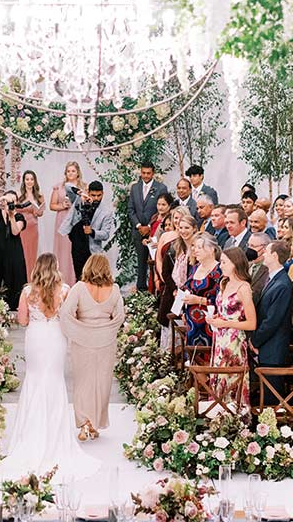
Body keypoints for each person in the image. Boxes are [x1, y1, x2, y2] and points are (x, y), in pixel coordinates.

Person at [0, 253, 99, 479]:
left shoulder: (27, 291)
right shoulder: (64, 290)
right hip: (55, 337)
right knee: (54, 380)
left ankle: (30, 433)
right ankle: (55, 436)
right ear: (55, 267)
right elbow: (73, 316)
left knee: (34, 379)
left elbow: (22, 320)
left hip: (35, 336)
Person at [60, 253, 125, 440]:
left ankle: (85, 424)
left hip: (82, 340)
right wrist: (108, 329)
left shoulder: (80, 288)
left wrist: (78, 329)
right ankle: (94, 423)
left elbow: (66, 312)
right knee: (102, 383)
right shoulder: (114, 289)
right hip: (106, 341)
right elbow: (119, 316)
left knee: (82, 382)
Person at [206, 248, 256, 410]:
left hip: (234, 341)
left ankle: (236, 417)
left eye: (224, 262)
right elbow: (223, 313)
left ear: (235, 264)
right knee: (218, 376)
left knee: (232, 379)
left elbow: (251, 323)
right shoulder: (223, 282)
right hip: (219, 338)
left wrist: (226, 324)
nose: (221, 266)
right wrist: (215, 319)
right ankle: (217, 414)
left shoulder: (243, 288)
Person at [251, 241, 293, 398]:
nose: (263, 254)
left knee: (271, 395)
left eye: (267, 252)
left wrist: (255, 340)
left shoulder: (282, 283)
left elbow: (273, 320)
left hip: (273, 348)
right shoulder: (273, 279)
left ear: (275, 256)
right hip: (267, 346)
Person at [59, 181, 116, 282]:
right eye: (93, 195)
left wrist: (92, 232)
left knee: (93, 279)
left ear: (102, 193)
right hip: (77, 244)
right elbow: (67, 186)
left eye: (99, 195)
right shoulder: (80, 200)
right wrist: (80, 193)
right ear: (88, 193)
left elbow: (106, 234)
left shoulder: (106, 211)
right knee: (79, 278)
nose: (96, 198)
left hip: (92, 249)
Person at [157, 207, 196, 349]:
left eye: (187, 227)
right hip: (173, 293)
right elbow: (166, 272)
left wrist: (185, 290)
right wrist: (174, 289)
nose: (183, 231)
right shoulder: (173, 247)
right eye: (180, 227)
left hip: (190, 294)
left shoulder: (198, 248)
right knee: (170, 327)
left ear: (194, 229)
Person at [0, 190, 29, 309]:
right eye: (8, 200)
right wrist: (3, 198)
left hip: (13, 251)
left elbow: (15, 232)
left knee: (14, 277)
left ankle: (14, 305)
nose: (10, 202)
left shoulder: (19, 216)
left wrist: (11, 216)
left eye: (13, 200)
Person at [128, 162, 167, 291]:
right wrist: (139, 226)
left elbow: (162, 209)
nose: (145, 176)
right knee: (140, 262)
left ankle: (154, 289)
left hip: (154, 231)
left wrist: (150, 226)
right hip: (138, 230)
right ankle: (141, 290)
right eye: (143, 173)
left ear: (153, 173)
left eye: (148, 173)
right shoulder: (135, 188)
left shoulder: (161, 188)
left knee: (155, 261)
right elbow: (130, 209)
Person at [182, 234, 223, 346]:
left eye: (199, 247)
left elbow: (221, 301)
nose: (195, 250)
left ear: (211, 249)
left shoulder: (219, 271)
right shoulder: (195, 267)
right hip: (191, 322)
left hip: (209, 324)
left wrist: (198, 300)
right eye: (194, 247)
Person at [50, 161, 84, 287]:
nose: (70, 173)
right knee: (63, 251)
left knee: (76, 249)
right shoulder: (58, 187)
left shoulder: (83, 187)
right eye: (68, 171)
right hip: (62, 219)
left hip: (76, 220)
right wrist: (62, 205)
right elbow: (51, 205)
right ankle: (61, 281)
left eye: (73, 171)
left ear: (77, 173)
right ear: (65, 173)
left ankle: (75, 281)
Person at [17, 170, 45, 281]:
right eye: (27, 179)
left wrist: (37, 211)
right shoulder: (19, 195)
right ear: (24, 181)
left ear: (35, 181)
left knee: (32, 253)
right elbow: (15, 210)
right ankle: (22, 278)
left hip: (33, 227)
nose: (29, 181)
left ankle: (31, 278)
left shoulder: (39, 195)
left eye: (31, 179)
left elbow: (41, 212)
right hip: (22, 227)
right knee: (22, 252)